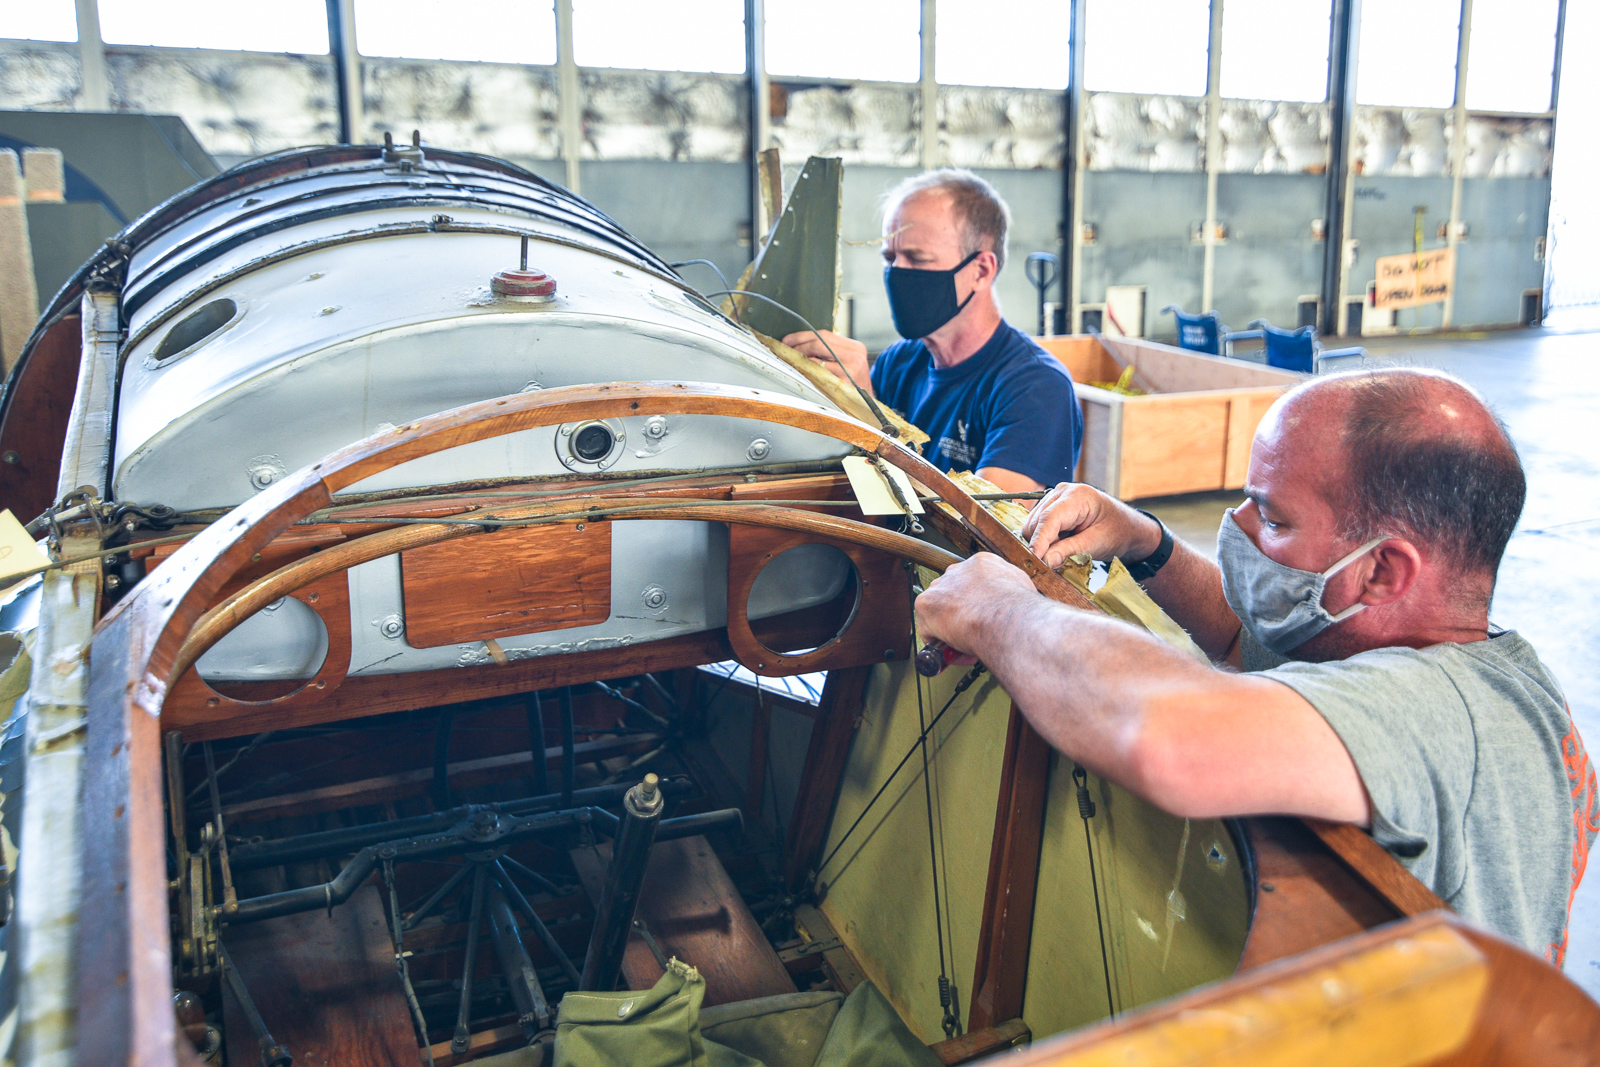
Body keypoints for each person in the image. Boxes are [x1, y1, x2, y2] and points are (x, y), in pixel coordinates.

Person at [913, 367, 1598, 962]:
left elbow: (1174, 735)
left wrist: (998, 609)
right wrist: (1144, 540)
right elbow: (1247, 639)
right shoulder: (1423, 649)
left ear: (1383, 569)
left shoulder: (1441, 711)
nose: (1237, 525)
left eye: (1272, 518)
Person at [783, 169, 1081, 495]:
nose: (897, 273)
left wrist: (869, 418)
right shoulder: (899, 361)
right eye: (890, 257)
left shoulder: (1035, 389)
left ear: (980, 271)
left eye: (918, 258)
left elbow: (989, 526)